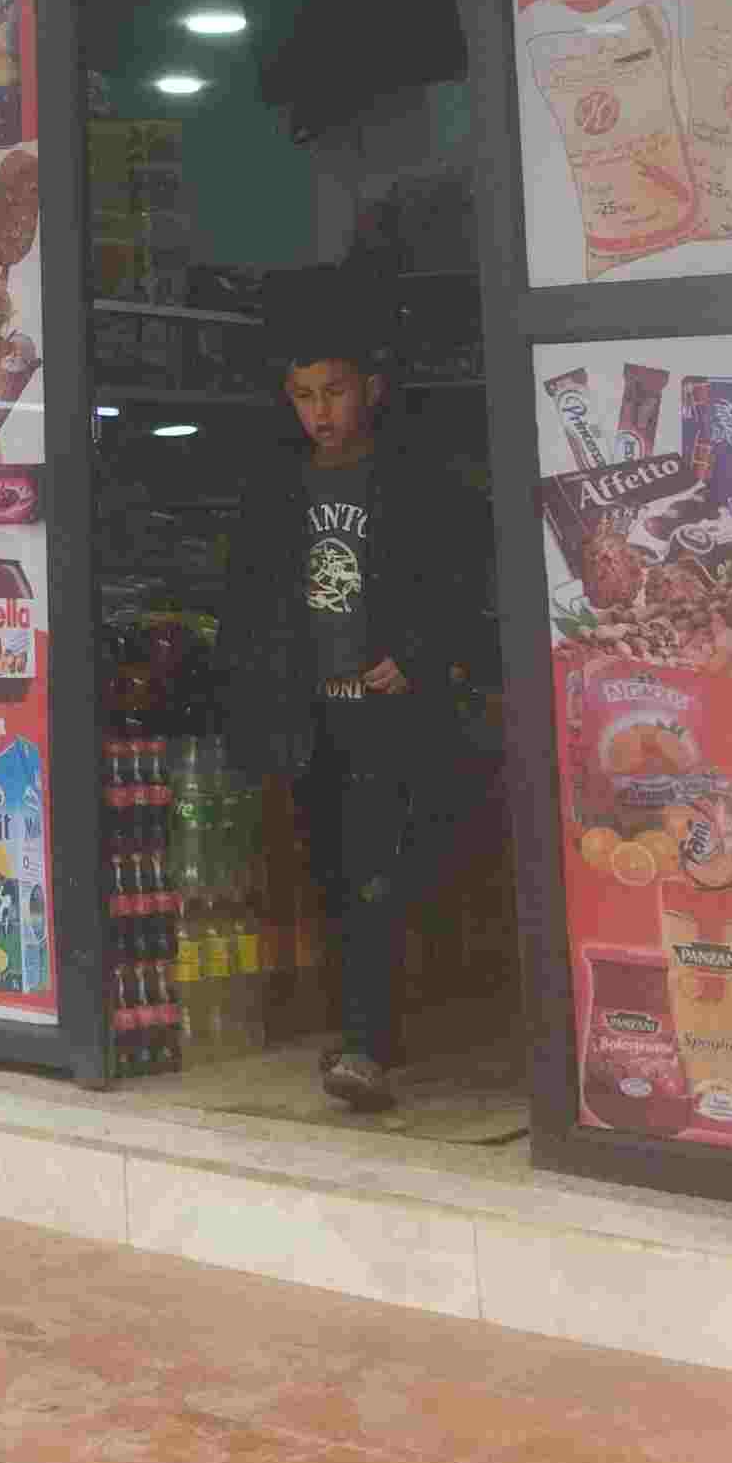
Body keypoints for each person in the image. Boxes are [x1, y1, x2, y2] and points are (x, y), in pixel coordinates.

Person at [223, 274, 498, 1112]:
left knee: (381, 874)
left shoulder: (422, 483)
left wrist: (421, 656)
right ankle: (363, 1031)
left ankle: (366, 1045)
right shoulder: (275, 490)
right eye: (305, 396)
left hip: (393, 719)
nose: (321, 411)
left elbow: (471, 588)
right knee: (332, 879)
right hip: (307, 719)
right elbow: (248, 606)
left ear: (371, 390)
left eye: (335, 391)